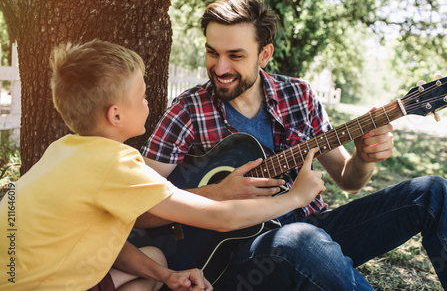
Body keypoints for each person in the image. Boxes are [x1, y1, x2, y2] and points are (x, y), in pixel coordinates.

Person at [138, 0, 447, 290]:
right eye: (212, 52)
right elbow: (139, 210)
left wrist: (363, 157)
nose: (219, 67)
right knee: (301, 240)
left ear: (265, 54)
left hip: (314, 232)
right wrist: (218, 194)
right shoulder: (186, 111)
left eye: (235, 55)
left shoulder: (300, 96)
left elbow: (347, 178)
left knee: (431, 193)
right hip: (231, 256)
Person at [0, 39, 325, 290]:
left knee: (155, 260)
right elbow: (222, 218)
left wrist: (167, 276)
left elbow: (108, 246)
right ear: (115, 115)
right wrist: (296, 197)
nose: (147, 102)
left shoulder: (63, 150)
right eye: (141, 96)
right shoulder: (115, 163)